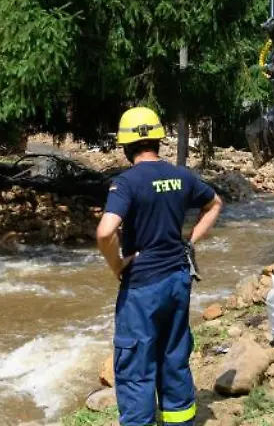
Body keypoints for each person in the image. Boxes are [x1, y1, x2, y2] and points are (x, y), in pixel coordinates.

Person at [96, 107, 223, 426]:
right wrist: (190, 241)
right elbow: (214, 204)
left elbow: (105, 232)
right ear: (157, 140)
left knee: (136, 364)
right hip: (178, 278)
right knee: (173, 355)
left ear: (126, 146)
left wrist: (117, 265)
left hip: (143, 286)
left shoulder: (126, 183)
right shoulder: (181, 176)